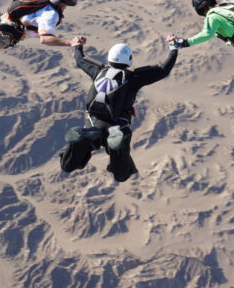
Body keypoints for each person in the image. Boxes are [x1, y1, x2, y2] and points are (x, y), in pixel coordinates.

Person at [58, 37, 180, 183]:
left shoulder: (98, 70)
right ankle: (116, 147)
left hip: (92, 123)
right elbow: (163, 70)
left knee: (67, 165)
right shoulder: (133, 77)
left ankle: (79, 141)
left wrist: (77, 46)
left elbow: (80, 60)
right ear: (128, 59)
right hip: (117, 126)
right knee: (122, 173)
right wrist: (174, 48)